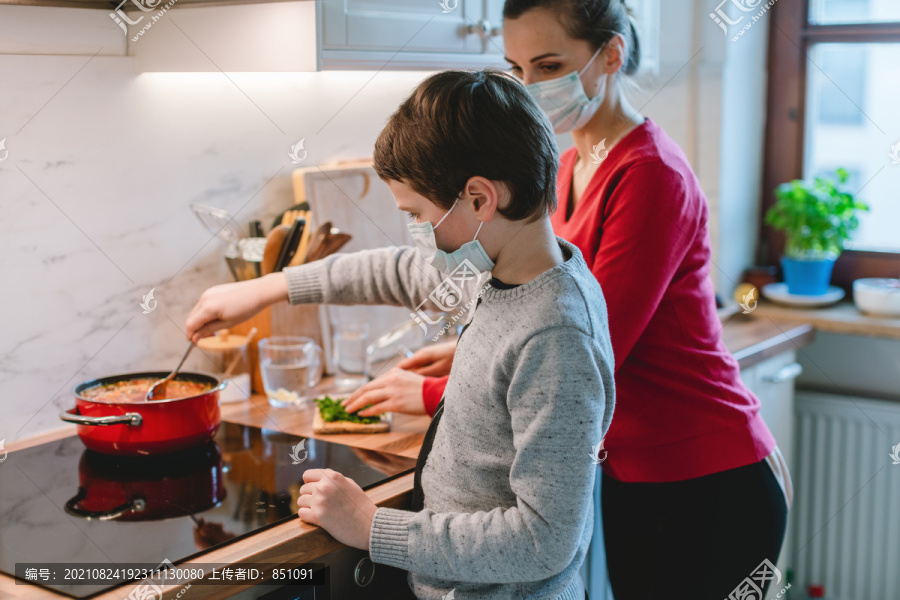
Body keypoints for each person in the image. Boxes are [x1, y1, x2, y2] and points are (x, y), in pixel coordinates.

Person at [341, 1, 794, 598]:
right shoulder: (571, 162)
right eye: (516, 68)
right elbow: (538, 300)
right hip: (631, 466)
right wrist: (463, 357)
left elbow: (594, 339)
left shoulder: (652, 174)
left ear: (611, 54)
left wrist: (437, 394)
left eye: (549, 65)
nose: (529, 88)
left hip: (705, 473)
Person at [185, 69, 616, 600]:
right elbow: (397, 271)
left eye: (416, 215)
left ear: (480, 200)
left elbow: (544, 539)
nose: (416, 234)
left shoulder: (555, 335)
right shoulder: (495, 266)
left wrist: (372, 528)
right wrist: (271, 288)